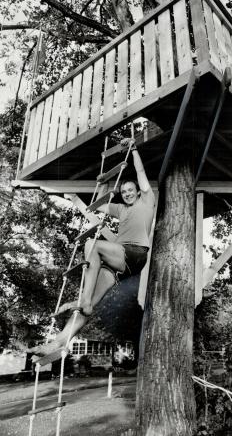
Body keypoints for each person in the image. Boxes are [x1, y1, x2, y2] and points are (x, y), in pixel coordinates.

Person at [29, 138, 155, 357]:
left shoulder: (147, 200)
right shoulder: (119, 209)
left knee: (91, 244)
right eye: (124, 191)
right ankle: (59, 342)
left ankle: (84, 300)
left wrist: (133, 150)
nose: (127, 194)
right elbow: (99, 201)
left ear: (137, 190)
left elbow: (141, 172)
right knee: (87, 307)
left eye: (130, 190)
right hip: (118, 264)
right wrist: (104, 182)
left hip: (135, 254)